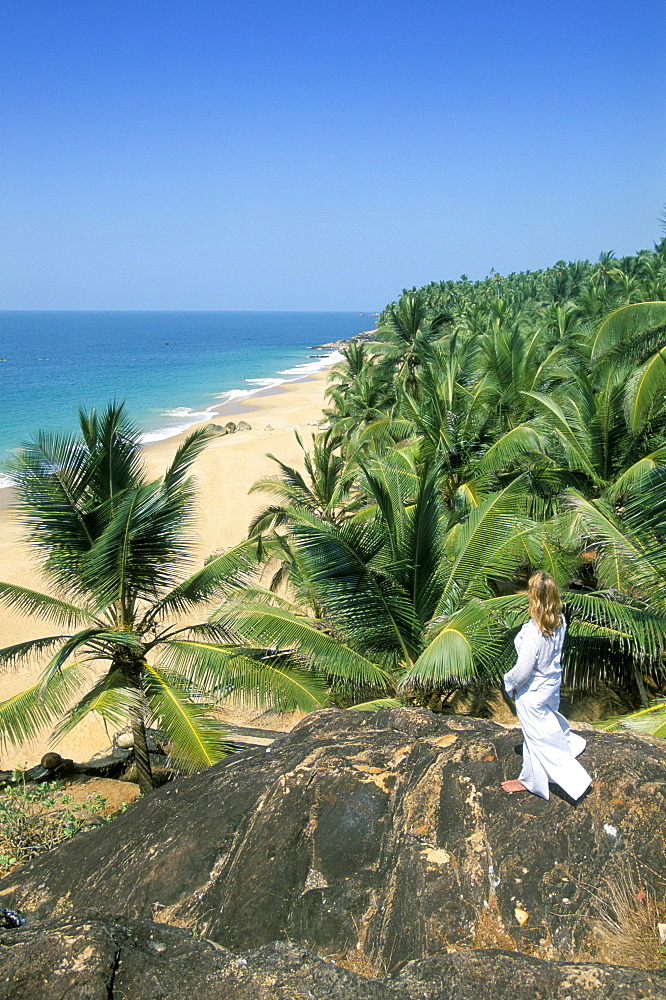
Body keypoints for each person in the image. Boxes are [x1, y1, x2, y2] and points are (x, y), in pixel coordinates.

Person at [501, 571, 592, 800]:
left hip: (533, 691)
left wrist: (509, 683)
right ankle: (531, 776)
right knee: (541, 731)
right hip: (551, 684)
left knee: (540, 738)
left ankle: (567, 781)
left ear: (533, 596)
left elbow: (523, 670)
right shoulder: (560, 621)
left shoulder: (533, 632)